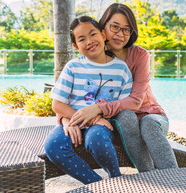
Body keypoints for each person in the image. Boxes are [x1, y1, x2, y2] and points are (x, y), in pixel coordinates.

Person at [66, 3, 179, 172]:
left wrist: (98, 108)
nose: (121, 34)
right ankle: (149, 177)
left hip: (151, 116)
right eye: (115, 27)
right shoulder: (92, 55)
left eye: (127, 29)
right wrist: (67, 120)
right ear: (103, 28)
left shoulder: (140, 55)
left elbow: (135, 102)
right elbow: (69, 96)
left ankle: (174, 178)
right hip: (117, 123)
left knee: (145, 122)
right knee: (126, 116)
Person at [44, 16, 133, 184]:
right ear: (76, 46)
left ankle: (116, 179)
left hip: (103, 125)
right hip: (73, 121)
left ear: (103, 35)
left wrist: (97, 120)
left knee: (97, 140)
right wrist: (69, 120)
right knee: (53, 146)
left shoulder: (120, 69)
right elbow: (57, 104)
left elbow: (123, 105)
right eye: (82, 39)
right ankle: (97, 185)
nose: (89, 41)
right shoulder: (73, 67)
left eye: (93, 34)